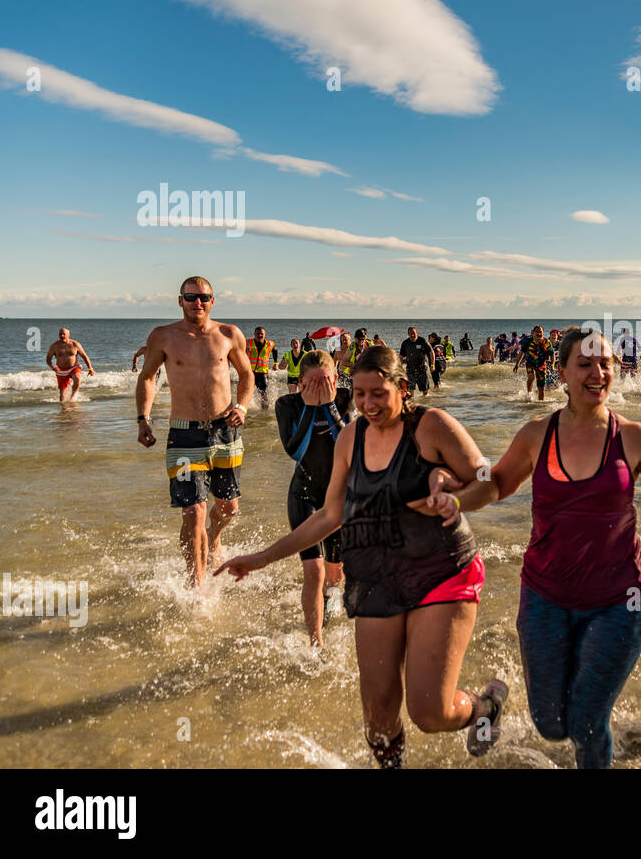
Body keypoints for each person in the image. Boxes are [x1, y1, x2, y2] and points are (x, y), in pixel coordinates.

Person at [441, 327, 641, 769]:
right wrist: (454, 501)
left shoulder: (634, 437)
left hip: (620, 600)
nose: (598, 372)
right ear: (562, 371)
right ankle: (490, 704)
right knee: (551, 724)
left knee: (586, 720)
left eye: (604, 363)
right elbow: (496, 485)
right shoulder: (536, 434)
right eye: (585, 364)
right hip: (546, 595)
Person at [217, 346, 507, 767]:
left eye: (379, 393)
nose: (368, 404)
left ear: (403, 389)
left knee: (429, 713)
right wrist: (262, 557)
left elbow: (489, 482)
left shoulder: (432, 426)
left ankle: (485, 708)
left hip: (441, 571)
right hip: (377, 577)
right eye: (359, 394)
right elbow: (331, 514)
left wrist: (457, 499)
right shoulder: (351, 437)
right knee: (378, 717)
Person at [135, 277, 253, 588]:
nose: (196, 302)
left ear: (213, 301)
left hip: (225, 431)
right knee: (193, 512)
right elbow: (147, 378)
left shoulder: (229, 334)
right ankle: (196, 586)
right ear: (180, 300)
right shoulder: (163, 336)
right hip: (184, 435)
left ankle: (213, 538)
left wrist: (241, 407)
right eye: (190, 297)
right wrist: (143, 418)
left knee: (228, 508)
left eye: (203, 297)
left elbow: (246, 375)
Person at [274, 350, 351, 645]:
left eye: (325, 382)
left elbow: (352, 445)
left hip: (337, 498)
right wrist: (309, 408)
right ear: (301, 383)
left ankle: (329, 603)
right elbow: (295, 451)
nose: (319, 389)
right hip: (303, 492)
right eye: (312, 383)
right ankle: (315, 642)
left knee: (334, 574)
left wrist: (329, 407)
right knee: (314, 570)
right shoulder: (288, 404)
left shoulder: (344, 399)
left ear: (334, 379)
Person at [45, 328, 95, 401]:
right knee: (62, 397)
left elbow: (85, 357)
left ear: (68, 335)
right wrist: (52, 366)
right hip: (61, 370)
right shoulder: (54, 346)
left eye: (64, 334)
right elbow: (48, 359)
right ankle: (64, 410)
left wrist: (90, 369)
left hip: (74, 367)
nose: (62, 335)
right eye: (60, 334)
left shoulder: (75, 344)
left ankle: (73, 396)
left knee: (77, 377)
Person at [514, 325, 553, 401]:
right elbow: (521, 353)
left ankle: (541, 403)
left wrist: (552, 364)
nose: (539, 333)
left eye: (540, 332)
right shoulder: (528, 341)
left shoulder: (546, 342)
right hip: (530, 363)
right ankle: (529, 394)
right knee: (531, 377)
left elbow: (552, 354)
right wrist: (517, 364)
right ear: (533, 333)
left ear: (543, 333)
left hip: (542, 365)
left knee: (541, 387)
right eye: (537, 332)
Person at [398, 326, 434, 398]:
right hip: (410, 370)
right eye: (410, 333)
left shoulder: (422, 341)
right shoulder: (405, 343)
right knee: (410, 391)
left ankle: (425, 404)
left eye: (414, 333)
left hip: (422, 369)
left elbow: (431, 352)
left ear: (416, 333)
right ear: (408, 334)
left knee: (425, 392)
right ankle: (412, 405)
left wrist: (432, 365)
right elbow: (401, 356)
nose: (412, 335)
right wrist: (398, 367)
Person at [246, 326, 276, 408]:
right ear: (254, 334)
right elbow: (238, 351)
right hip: (250, 372)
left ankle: (265, 411)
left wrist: (275, 363)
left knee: (263, 392)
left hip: (262, 372)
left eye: (261, 334)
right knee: (247, 391)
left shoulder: (270, 344)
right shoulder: (247, 342)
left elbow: (275, 350)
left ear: (265, 334)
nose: (259, 335)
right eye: (257, 334)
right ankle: (245, 409)